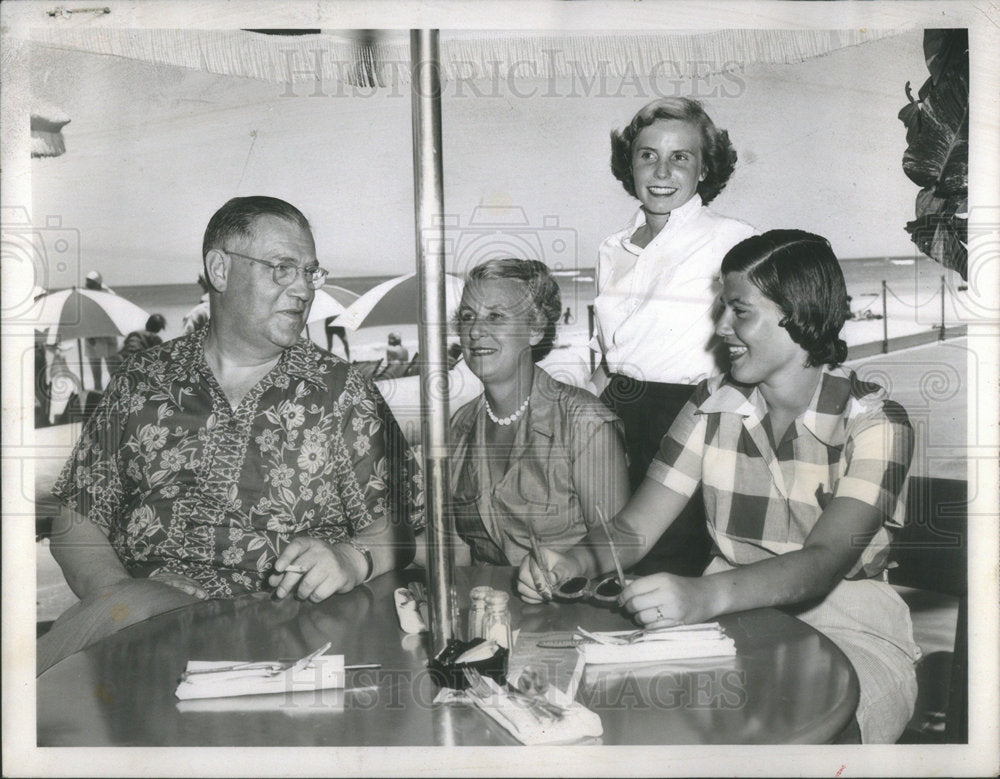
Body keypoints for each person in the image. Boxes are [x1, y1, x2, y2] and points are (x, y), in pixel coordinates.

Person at [520, 231, 920, 743]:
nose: (721, 327)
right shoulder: (710, 405)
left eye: (740, 311)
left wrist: (703, 595)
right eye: (722, 309)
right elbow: (633, 527)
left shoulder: (876, 422)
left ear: (798, 313)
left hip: (849, 632)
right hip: (728, 628)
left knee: (793, 745)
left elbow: (821, 564)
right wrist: (570, 563)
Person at [40, 196, 419, 673]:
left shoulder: (342, 394)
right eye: (282, 268)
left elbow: (408, 527)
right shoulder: (141, 381)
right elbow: (76, 518)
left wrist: (350, 558)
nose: (303, 289)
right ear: (219, 270)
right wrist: (122, 597)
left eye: (310, 272)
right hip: (132, 635)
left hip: (279, 635)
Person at [591, 97, 757, 576]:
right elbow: (608, 354)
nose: (661, 170)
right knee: (609, 558)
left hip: (691, 414)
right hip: (614, 415)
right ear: (631, 164)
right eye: (647, 154)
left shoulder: (733, 238)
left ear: (704, 169)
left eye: (680, 157)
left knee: (672, 565)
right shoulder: (610, 248)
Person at [420, 258, 628, 567]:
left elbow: (616, 553)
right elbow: (462, 551)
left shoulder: (583, 423)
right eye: (467, 317)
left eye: (496, 316)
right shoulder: (459, 427)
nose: (476, 330)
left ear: (534, 329)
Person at [82, 270, 121, 389]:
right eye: (87, 282)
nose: (87, 285)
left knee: (113, 373)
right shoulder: (85, 294)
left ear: (98, 284)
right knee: (96, 376)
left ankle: (114, 399)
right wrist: (89, 335)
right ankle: (98, 401)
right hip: (90, 337)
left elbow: (116, 314)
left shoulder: (109, 294)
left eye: (90, 283)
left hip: (107, 336)